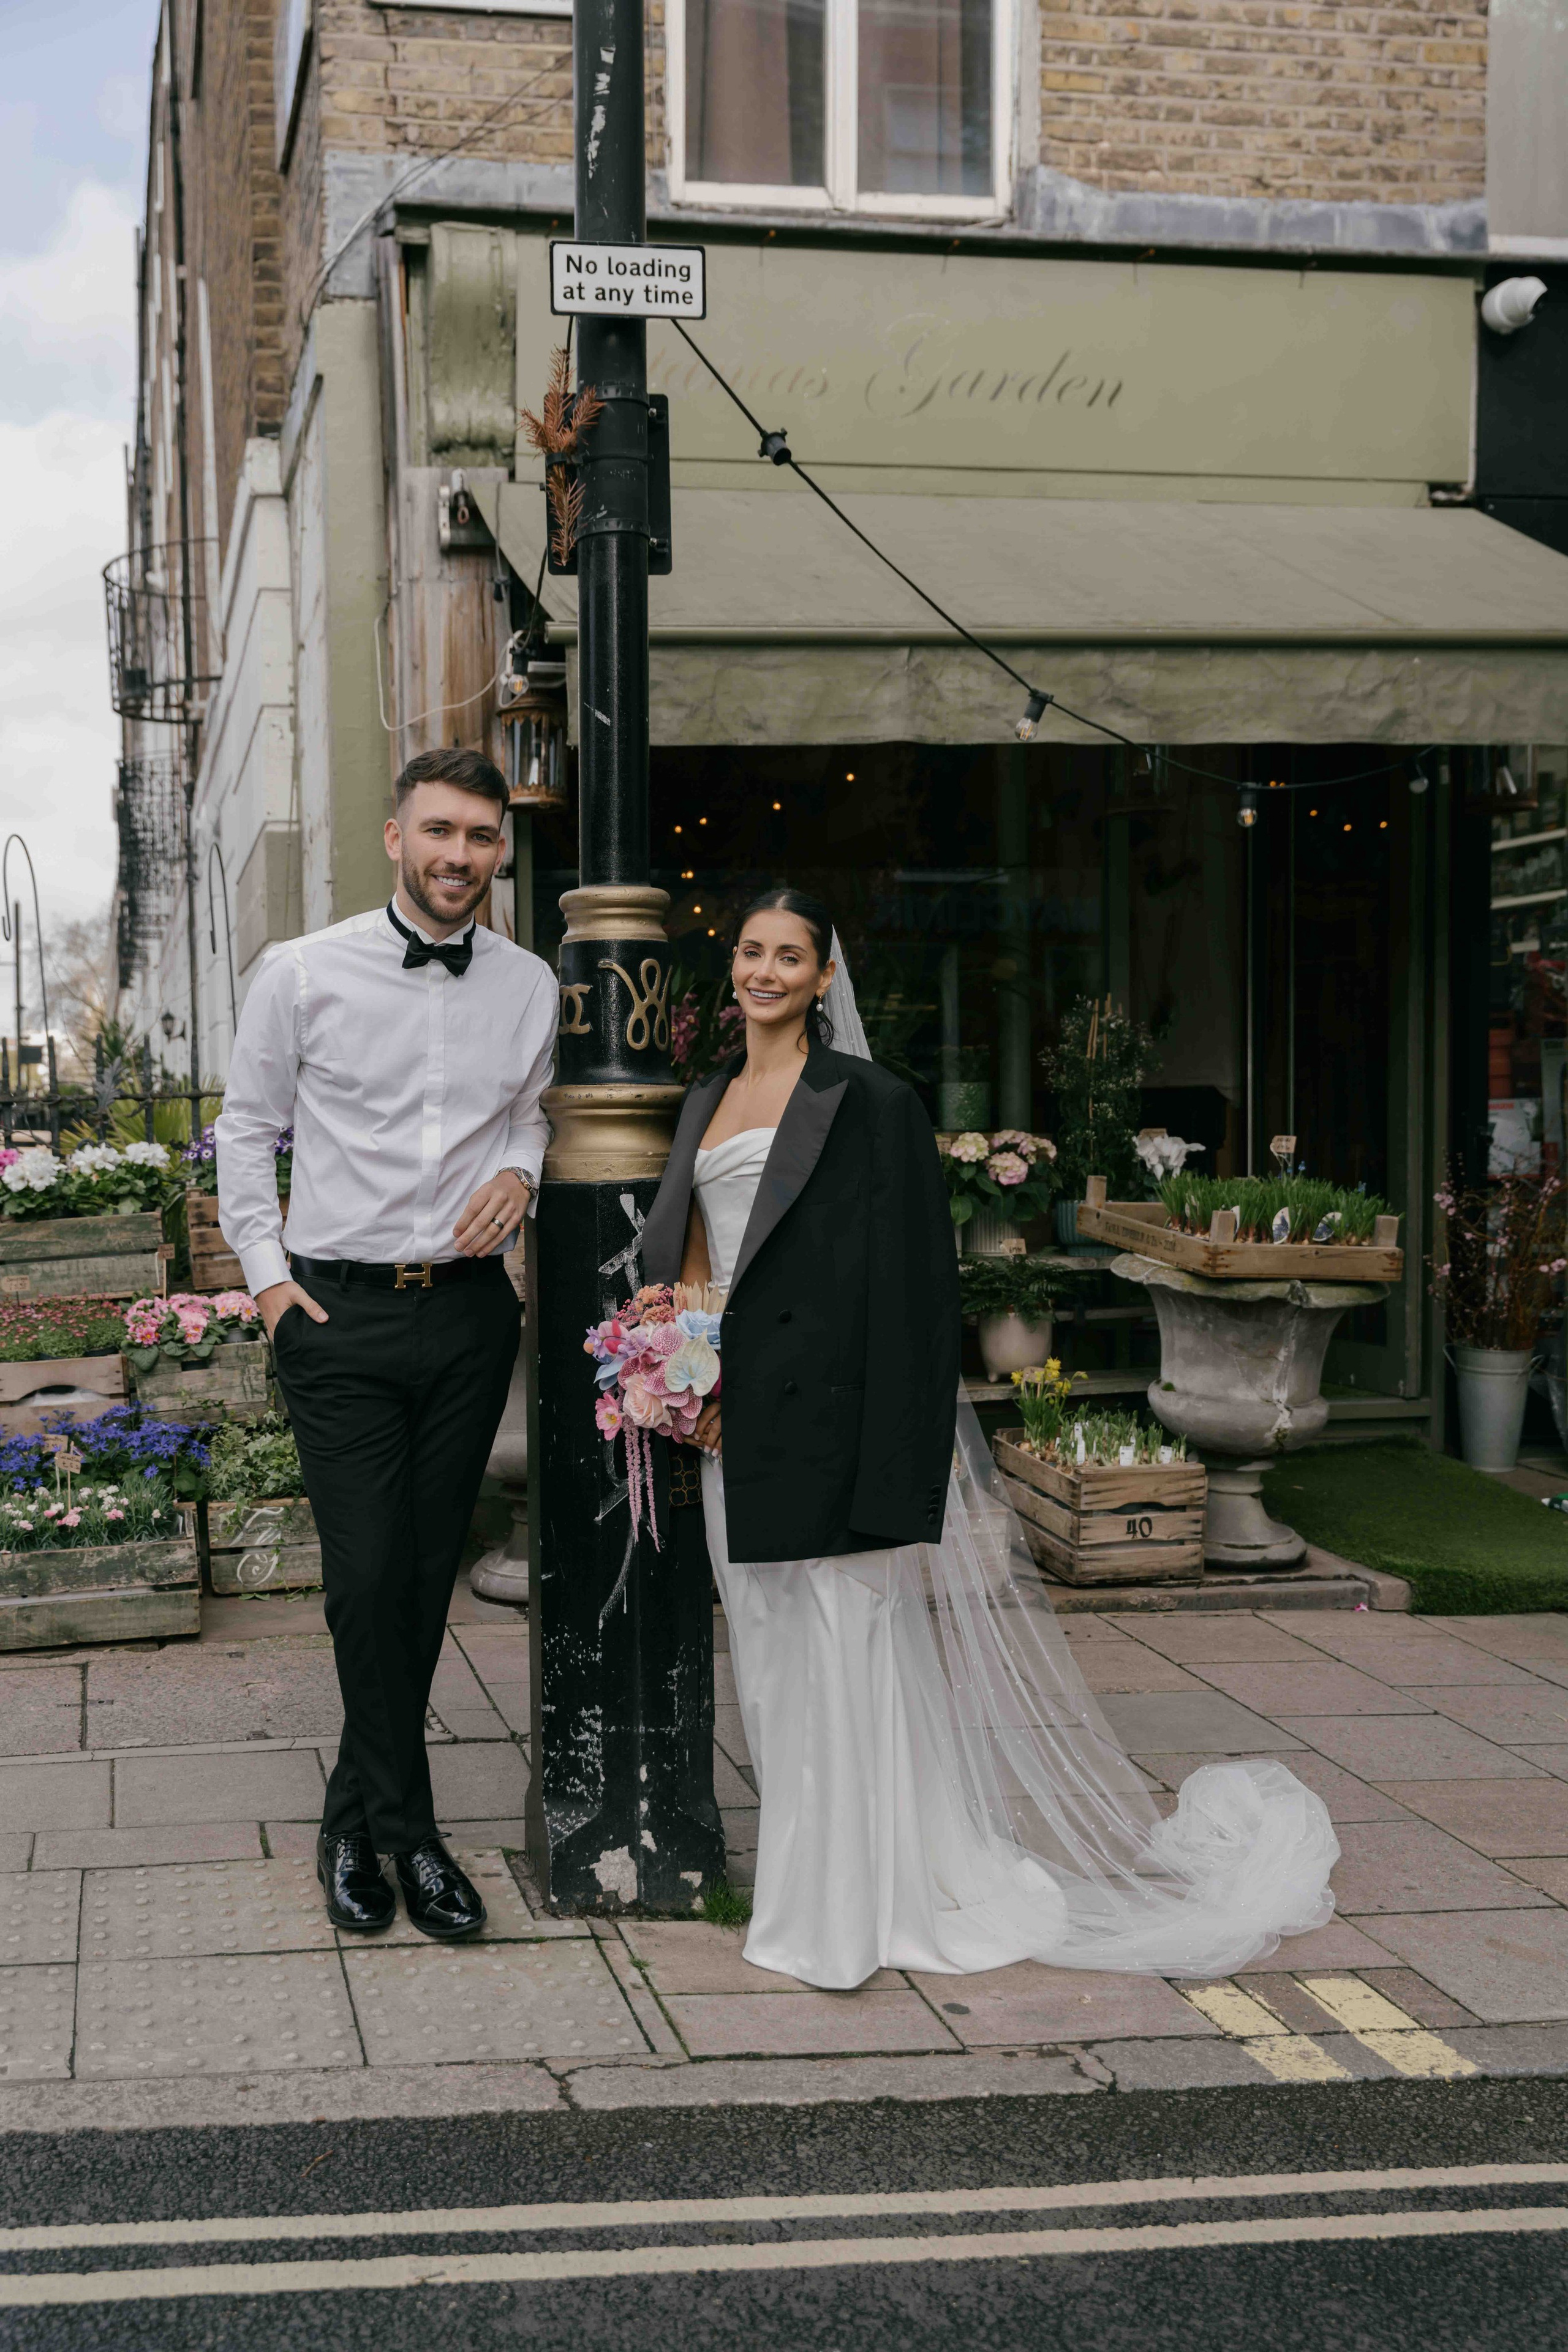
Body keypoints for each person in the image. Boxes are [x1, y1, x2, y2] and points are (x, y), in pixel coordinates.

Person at [641, 886, 1339, 1991]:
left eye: (790, 956)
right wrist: (680, 1363)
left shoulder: (871, 1100)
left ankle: (847, 1915)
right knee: (771, 1659)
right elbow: (686, 1251)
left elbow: (916, 1298)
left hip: (831, 1428)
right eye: (749, 952)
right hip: (729, 1422)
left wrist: (894, 1466)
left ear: (826, 979)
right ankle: (822, 1880)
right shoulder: (706, 1096)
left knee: (843, 1655)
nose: (764, 971)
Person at [216, 747, 557, 1940]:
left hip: (467, 1317)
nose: (459, 855)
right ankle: (412, 1840)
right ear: (393, 836)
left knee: (420, 1581)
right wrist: (268, 1285)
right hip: (336, 1316)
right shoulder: (301, 976)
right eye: (439, 832)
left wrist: (521, 1169)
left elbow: (531, 1113)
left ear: (498, 848)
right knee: (364, 1583)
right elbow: (245, 1132)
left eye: (480, 836)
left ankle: (348, 1822)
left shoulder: (529, 985)